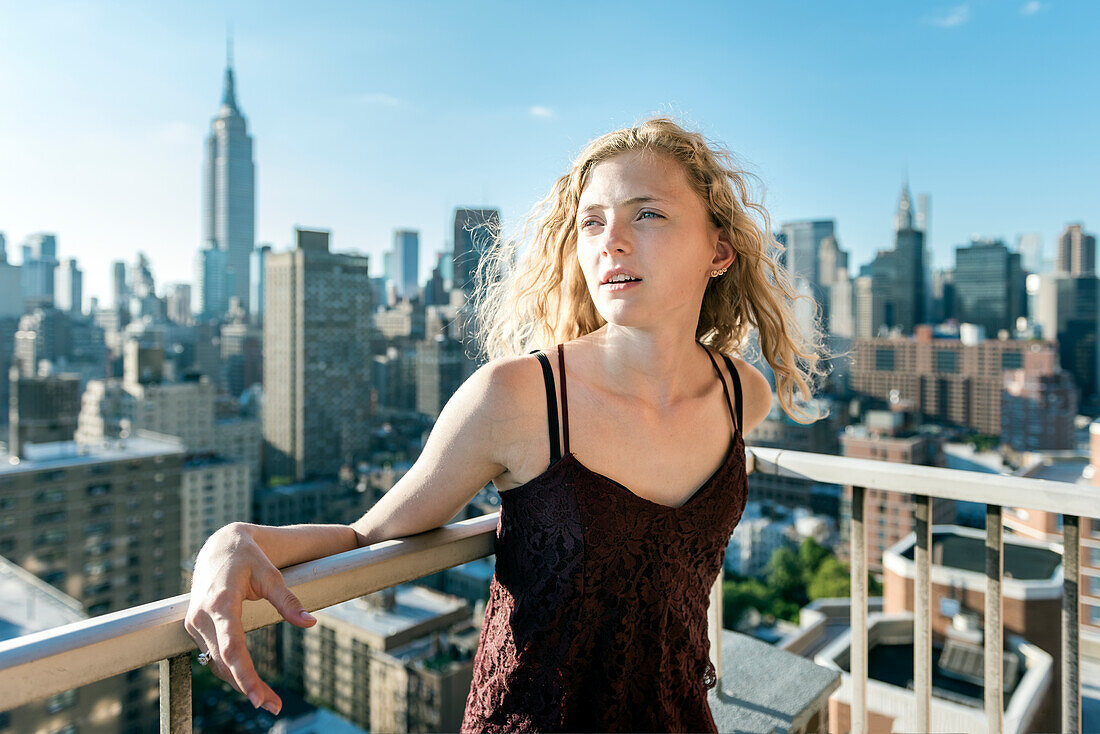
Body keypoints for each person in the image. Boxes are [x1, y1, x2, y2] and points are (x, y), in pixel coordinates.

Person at [184, 116, 827, 731]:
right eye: (592, 222)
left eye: (648, 213)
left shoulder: (742, 395)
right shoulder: (518, 398)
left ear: (720, 248)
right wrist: (235, 541)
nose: (612, 241)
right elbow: (368, 536)